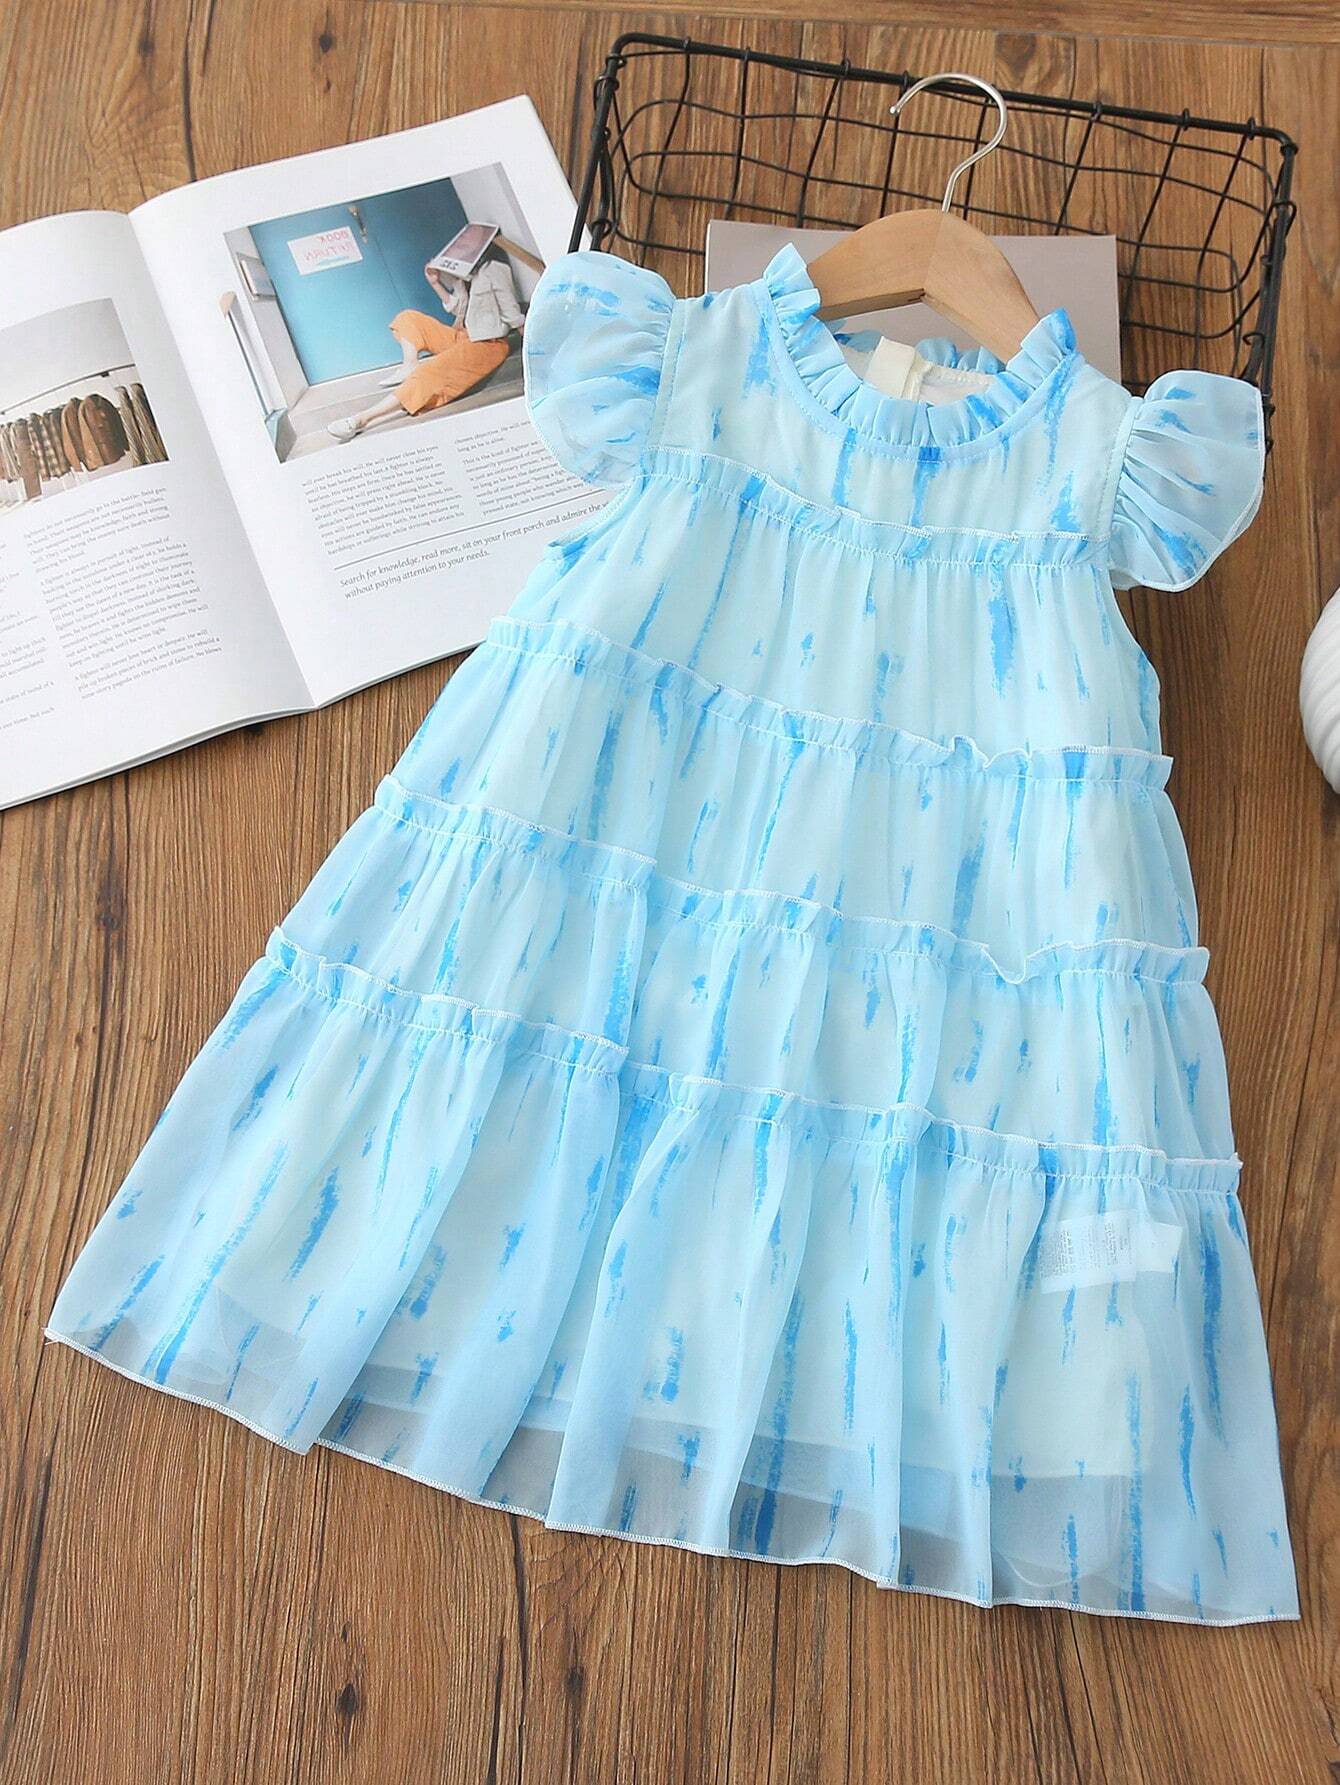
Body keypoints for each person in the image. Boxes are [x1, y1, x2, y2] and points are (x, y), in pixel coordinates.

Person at [327, 243, 524, 442]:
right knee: (408, 318)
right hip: (462, 335)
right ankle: (410, 364)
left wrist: (525, 333)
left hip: (487, 344)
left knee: (428, 372)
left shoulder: (495, 269)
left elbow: (510, 309)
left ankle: (361, 419)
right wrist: (436, 284)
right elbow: (459, 309)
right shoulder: (466, 273)